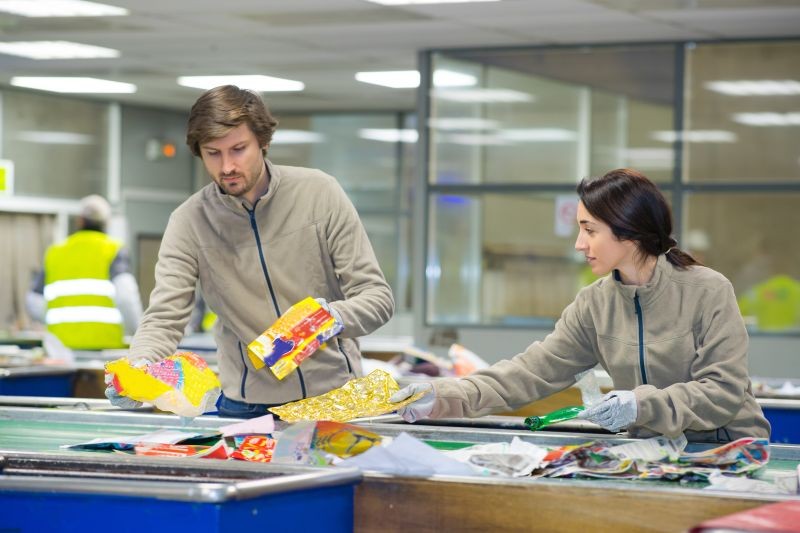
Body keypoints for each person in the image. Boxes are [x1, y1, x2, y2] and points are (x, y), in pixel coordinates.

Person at [392, 169, 770, 443]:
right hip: (654, 453)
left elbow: (722, 392)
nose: (579, 243)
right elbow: (529, 373)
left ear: (629, 232)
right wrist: (441, 396)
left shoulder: (708, 290)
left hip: (728, 451)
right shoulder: (595, 303)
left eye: (590, 231)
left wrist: (640, 405)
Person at [111, 85, 394, 417]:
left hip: (334, 399)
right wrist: (139, 366)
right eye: (213, 153)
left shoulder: (320, 193)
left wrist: (330, 318)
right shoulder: (189, 221)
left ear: (263, 142)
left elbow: (377, 297)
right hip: (246, 408)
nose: (227, 166)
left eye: (238, 149)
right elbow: (164, 317)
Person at [27, 194, 143, 350]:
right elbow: (126, 298)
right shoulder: (114, 249)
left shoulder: (55, 252)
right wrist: (140, 336)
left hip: (61, 350)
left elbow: (34, 301)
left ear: (79, 221)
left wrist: (56, 321)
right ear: (106, 223)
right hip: (105, 348)